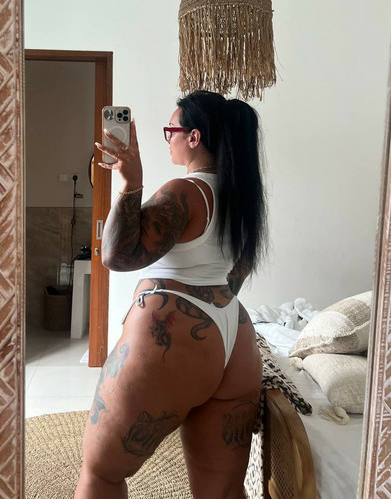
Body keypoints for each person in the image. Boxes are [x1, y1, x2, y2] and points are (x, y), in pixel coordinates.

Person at [74, 90, 267, 499]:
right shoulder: (241, 195)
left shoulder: (186, 191)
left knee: (100, 472)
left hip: (173, 337)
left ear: (194, 137)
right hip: (234, 337)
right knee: (222, 492)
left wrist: (131, 183)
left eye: (171, 130)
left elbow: (116, 256)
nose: (168, 139)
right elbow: (238, 271)